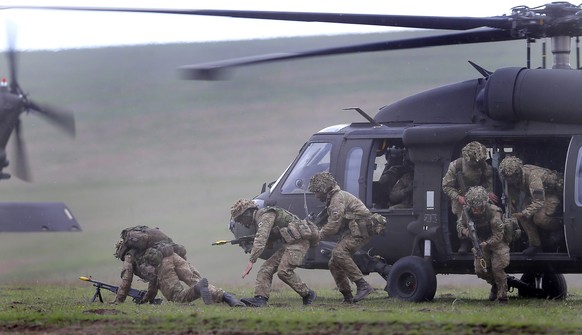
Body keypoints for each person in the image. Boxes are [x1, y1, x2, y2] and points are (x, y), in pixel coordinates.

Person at [113, 225, 244, 307]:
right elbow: (153, 279)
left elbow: (127, 280)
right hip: (175, 255)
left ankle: (198, 289)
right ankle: (229, 298)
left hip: (164, 263)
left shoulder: (129, 255)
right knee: (196, 281)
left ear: (121, 250)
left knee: (177, 297)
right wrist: (148, 298)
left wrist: (119, 301)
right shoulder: (150, 245)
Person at [229, 199, 318, 307]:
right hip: (290, 244)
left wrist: (251, 261)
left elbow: (262, 236)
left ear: (247, 213)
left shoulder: (265, 215)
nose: (241, 223)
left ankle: (308, 294)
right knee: (265, 269)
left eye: (240, 219)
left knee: (284, 271)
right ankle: (260, 299)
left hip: (300, 243)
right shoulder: (261, 218)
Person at [307, 171, 374, 304]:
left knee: (339, 253)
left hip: (359, 231)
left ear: (324, 189)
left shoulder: (337, 199)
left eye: (317, 191)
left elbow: (333, 226)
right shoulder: (334, 198)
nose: (315, 195)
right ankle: (347, 296)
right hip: (352, 231)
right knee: (334, 263)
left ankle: (363, 285)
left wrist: (317, 236)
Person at [498, 156, 563, 255]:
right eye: (508, 177)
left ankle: (559, 230)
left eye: (513, 176)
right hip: (533, 195)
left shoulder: (533, 176)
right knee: (522, 215)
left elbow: (539, 201)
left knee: (539, 218)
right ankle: (535, 245)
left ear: (519, 173)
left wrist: (524, 213)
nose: (510, 179)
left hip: (551, 193)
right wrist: (513, 213)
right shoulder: (507, 179)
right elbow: (511, 198)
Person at [442, 141, 498, 254]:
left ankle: (486, 239)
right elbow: (446, 186)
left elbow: (488, 178)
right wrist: (458, 197)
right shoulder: (456, 166)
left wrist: (489, 192)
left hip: (478, 193)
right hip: (461, 196)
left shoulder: (482, 164)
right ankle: (465, 242)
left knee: (486, 213)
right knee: (463, 218)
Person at [457, 186, 510, 303]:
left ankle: (502, 294)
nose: (476, 211)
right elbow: (460, 225)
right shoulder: (467, 212)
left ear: (484, 204)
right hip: (480, 241)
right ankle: (495, 284)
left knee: (497, 268)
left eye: (479, 208)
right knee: (480, 271)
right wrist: (468, 233)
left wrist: (487, 243)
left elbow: (499, 235)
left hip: (497, 241)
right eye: (474, 208)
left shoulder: (494, 212)